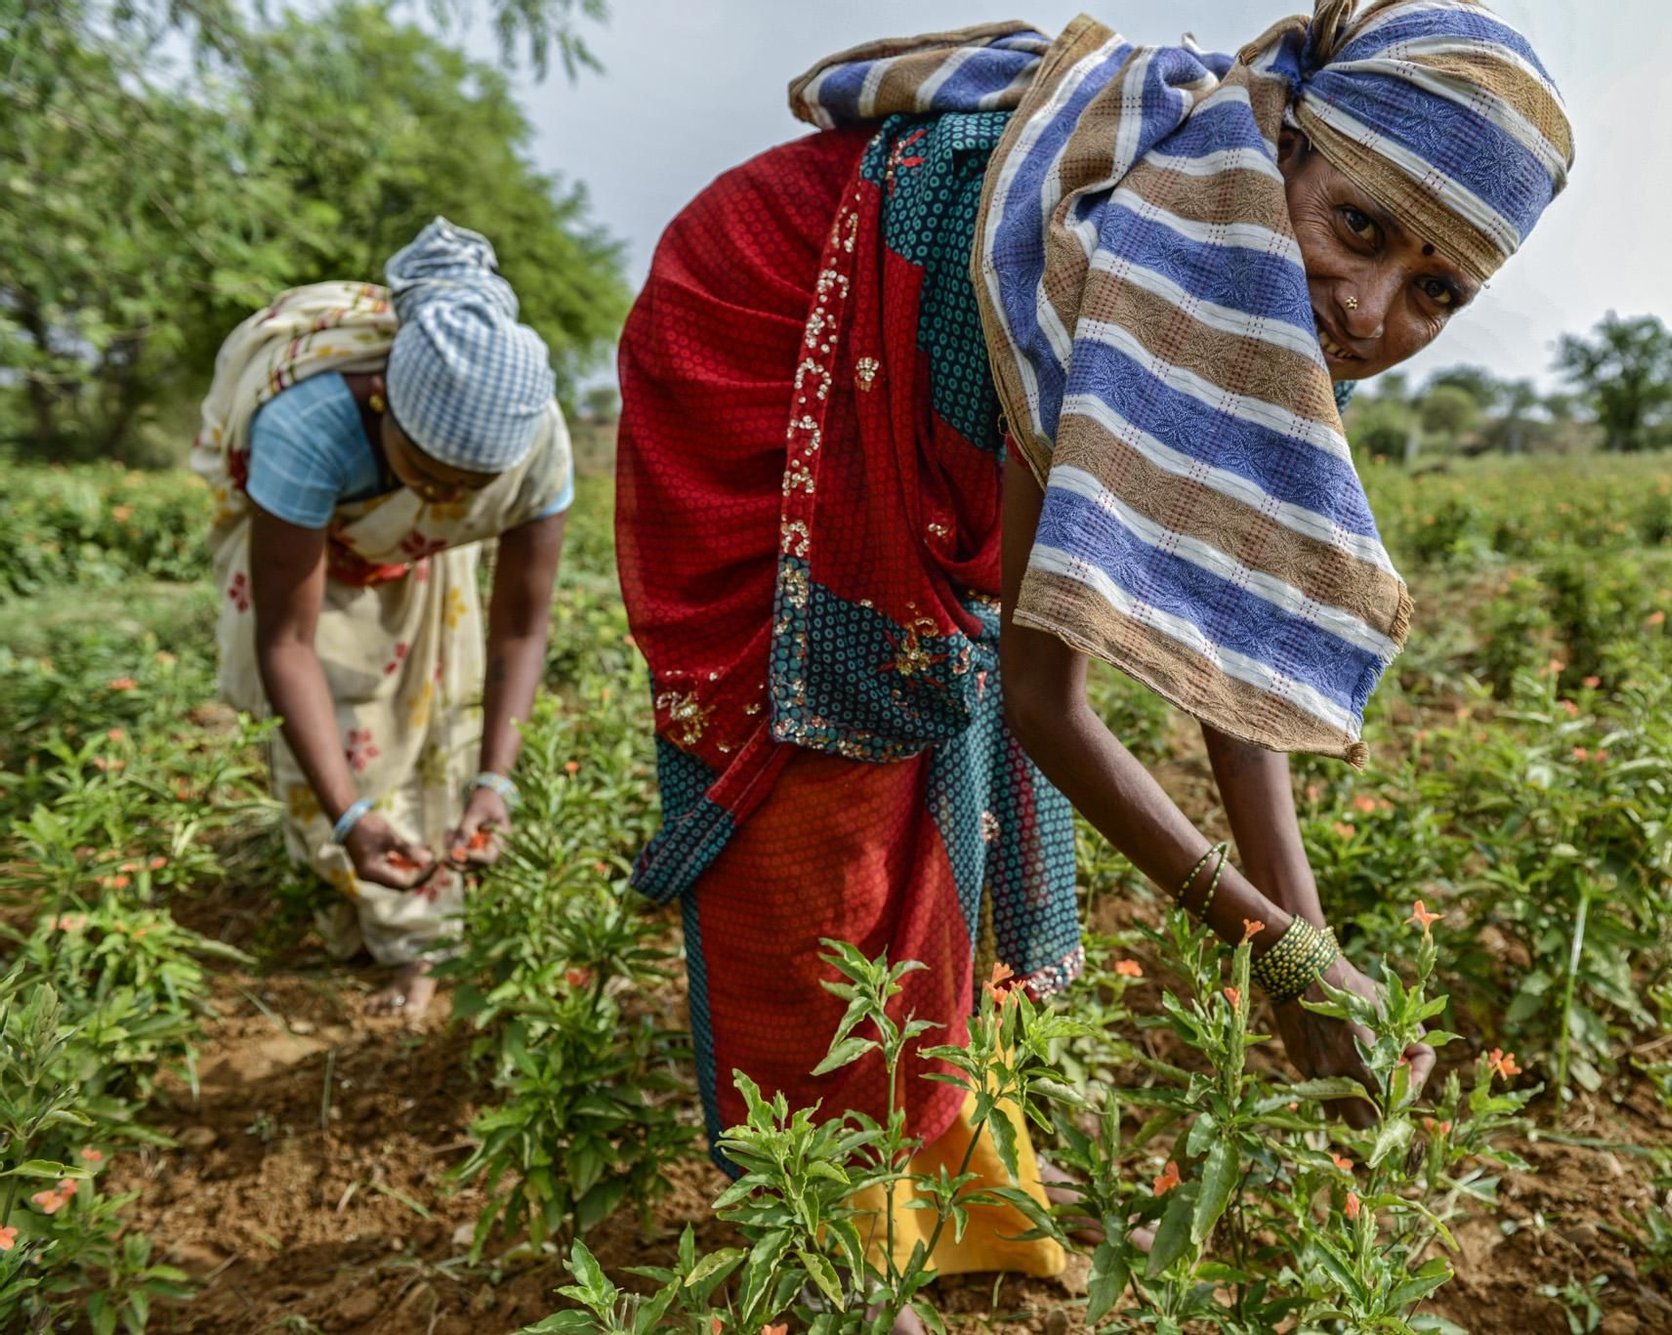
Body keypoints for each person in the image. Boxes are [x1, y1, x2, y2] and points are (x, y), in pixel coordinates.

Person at [616, 0, 1573, 1306]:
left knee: (941, 721)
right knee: (833, 782)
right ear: (1281, 144)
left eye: (1436, 291)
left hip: (920, 394)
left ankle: (944, 1164)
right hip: (777, 322)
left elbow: (1222, 639)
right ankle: (837, 1215)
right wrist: (1285, 963)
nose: (1366, 309)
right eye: (1358, 227)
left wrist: (1308, 937)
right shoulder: (1138, 250)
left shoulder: (1288, 306)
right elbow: (1051, 703)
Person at [193, 218, 574, 1017]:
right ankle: (353, 873)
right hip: (319, 574)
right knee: (332, 752)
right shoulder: (308, 427)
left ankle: (417, 947)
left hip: (425, 573)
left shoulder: (538, 444)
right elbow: (287, 640)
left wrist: (495, 780)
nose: (445, 501)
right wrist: (352, 812)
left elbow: (521, 629)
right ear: (381, 401)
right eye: (425, 473)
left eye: (470, 487)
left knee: (439, 737)